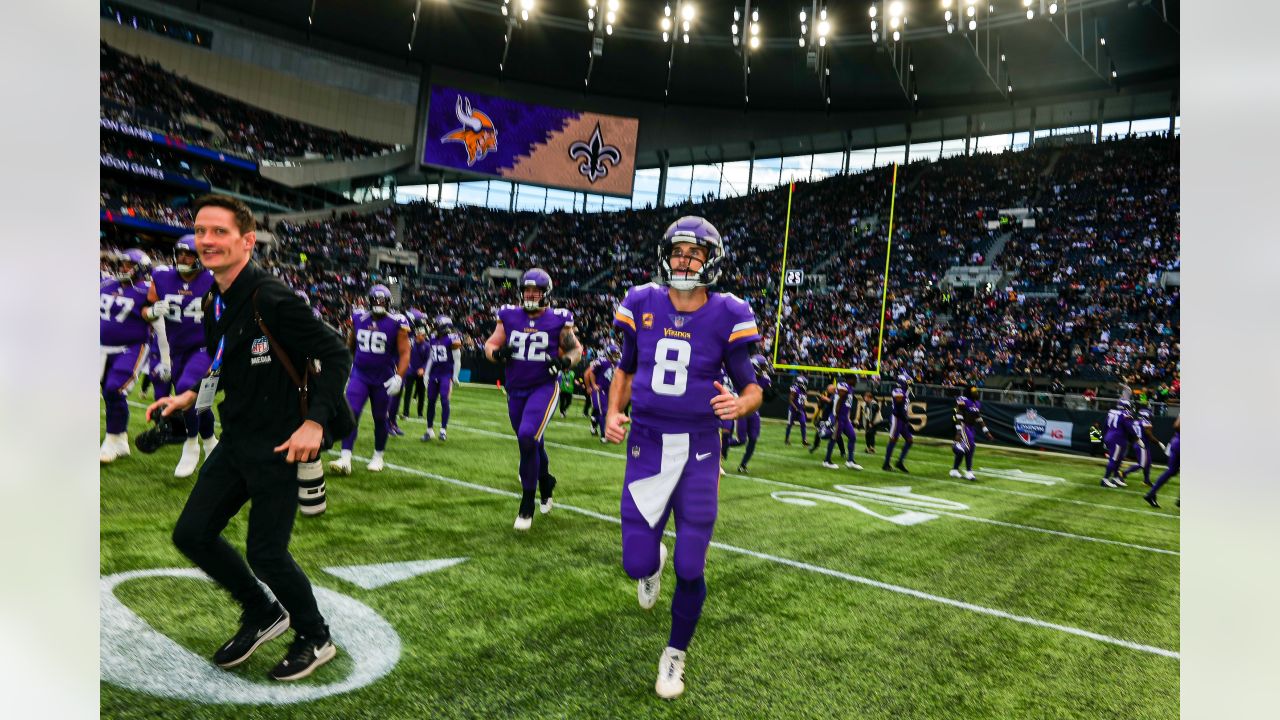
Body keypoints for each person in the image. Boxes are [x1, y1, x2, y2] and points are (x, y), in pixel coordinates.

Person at [146, 194, 352, 682]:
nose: (207, 241)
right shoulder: (212, 298)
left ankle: (315, 636)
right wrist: (189, 395)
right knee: (191, 534)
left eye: (219, 232)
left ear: (247, 240)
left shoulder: (272, 296)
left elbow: (336, 354)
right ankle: (262, 611)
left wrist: (315, 424)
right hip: (238, 437)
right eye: (200, 231)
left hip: (281, 444)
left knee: (266, 551)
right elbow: (225, 358)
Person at [604, 215, 762, 699]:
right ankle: (653, 565)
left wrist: (741, 403)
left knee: (692, 567)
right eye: (679, 252)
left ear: (712, 261)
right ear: (666, 255)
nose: (684, 260)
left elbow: (754, 385)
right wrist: (613, 411)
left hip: (698, 447)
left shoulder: (729, 312)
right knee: (635, 563)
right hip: (647, 444)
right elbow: (626, 368)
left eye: (695, 253)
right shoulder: (641, 302)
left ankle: (675, 654)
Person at [484, 268, 582, 528]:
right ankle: (546, 481)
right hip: (516, 389)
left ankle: (527, 504)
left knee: (527, 436)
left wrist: (563, 363)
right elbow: (491, 344)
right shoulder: (509, 315)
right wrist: (497, 354)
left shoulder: (558, 319)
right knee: (532, 443)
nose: (530, 295)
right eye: (527, 290)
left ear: (545, 293)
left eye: (535, 291)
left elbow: (575, 349)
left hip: (544, 387)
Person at [144, 234, 219, 478]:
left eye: (190, 253)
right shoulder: (163, 277)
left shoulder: (214, 280)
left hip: (205, 349)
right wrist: (153, 311)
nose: (184, 257)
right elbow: (146, 308)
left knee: (187, 388)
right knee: (199, 400)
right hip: (177, 350)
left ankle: (191, 443)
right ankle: (210, 443)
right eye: (181, 253)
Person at [329, 285, 411, 474]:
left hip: (383, 378)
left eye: (382, 301)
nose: (379, 304)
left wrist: (399, 377)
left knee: (380, 418)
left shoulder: (397, 322)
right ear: (369, 301)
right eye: (376, 300)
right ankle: (345, 458)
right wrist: (345, 365)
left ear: (389, 303)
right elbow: (350, 344)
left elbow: (406, 353)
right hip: (360, 375)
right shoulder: (358, 318)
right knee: (351, 414)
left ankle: (378, 456)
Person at [100, 248, 166, 463]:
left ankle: (112, 441)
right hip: (102, 347)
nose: (123, 268)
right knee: (110, 393)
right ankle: (119, 439)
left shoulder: (146, 291)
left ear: (141, 268)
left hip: (132, 346)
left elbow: (160, 325)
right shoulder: (107, 285)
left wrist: (165, 359)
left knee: (115, 387)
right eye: (122, 264)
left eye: (128, 264)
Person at [422, 315, 462, 441]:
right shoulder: (433, 338)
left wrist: (455, 376)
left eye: (437, 325)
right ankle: (429, 430)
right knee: (431, 401)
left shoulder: (452, 339)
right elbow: (430, 358)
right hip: (434, 374)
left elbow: (457, 360)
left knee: (445, 400)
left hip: (446, 375)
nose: (434, 327)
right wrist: (426, 373)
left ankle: (443, 430)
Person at [734, 354, 772, 473]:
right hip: (743, 409)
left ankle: (743, 465)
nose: (764, 369)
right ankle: (720, 447)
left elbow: (767, 396)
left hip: (754, 411)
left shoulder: (765, 379)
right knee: (741, 440)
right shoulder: (743, 376)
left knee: (754, 438)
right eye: (762, 366)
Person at [950, 384, 994, 481]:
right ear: (969, 392)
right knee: (970, 446)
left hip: (971, 427)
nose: (976, 392)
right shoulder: (963, 400)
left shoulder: (977, 403)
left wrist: (986, 432)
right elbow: (958, 415)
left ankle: (954, 470)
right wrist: (958, 431)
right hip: (963, 425)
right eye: (974, 391)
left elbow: (978, 418)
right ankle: (969, 472)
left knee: (967, 448)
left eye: (976, 391)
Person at [1101, 399, 1142, 488]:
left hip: (1113, 437)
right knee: (1114, 459)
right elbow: (1129, 427)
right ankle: (1105, 479)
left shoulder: (1112, 412)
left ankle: (1115, 478)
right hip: (1117, 439)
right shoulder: (1125, 414)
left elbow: (1105, 425)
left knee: (1119, 459)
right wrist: (1137, 439)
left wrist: (1104, 437)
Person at [584, 342, 620, 444]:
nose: (616, 356)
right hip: (600, 390)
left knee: (601, 411)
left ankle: (594, 422)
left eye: (617, 354)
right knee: (603, 412)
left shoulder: (617, 363)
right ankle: (604, 435)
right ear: (608, 353)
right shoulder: (601, 361)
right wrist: (593, 385)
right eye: (614, 354)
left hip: (610, 390)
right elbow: (591, 373)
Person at [822, 381, 862, 470]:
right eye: (841, 390)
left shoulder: (848, 393)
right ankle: (826, 461)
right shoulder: (837, 396)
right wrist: (834, 421)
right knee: (834, 439)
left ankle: (850, 461)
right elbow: (836, 409)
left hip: (845, 419)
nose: (843, 392)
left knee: (852, 437)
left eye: (844, 390)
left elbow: (848, 407)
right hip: (838, 419)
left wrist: (848, 418)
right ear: (838, 390)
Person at [882, 372, 915, 472]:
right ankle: (886, 464)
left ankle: (900, 461)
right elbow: (899, 409)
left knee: (909, 440)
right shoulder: (898, 391)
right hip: (897, 419)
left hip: (902, 419)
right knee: (893, 440)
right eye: (908, 383)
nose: (910, 385)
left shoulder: (905, 391)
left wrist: (905, 420)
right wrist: (906, 420)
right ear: (902, 383)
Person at [1119, 407, 1161, 486]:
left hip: (1140, 444)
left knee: (1148, 463)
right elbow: (1149, 436)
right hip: (1142, 445)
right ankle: (1123, 473)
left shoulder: (1136, 422)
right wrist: (1159, 443)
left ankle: (1146, 481)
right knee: (1142, 464)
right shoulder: (1146, 422)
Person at [1143, 416, 1179, 508]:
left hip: (1175, 441)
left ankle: (1151, 494)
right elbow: (1177, 426)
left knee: (1172, 470)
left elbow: (1176, 425)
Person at [403, 317, 430, 420]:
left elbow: (428, 360)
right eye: (418, 334)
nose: (418, 336)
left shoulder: (427, 346)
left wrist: (423, 369)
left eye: (421, 335)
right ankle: (405, 413)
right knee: (408, 393)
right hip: (410, 370)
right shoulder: (412, 343)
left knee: (421, 394)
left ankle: (420, 413)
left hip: (421, 372)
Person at [808, 383, 844, 457]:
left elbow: (832, 403)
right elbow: (820, 406)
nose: (827, 390)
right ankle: (815, 445)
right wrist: (820, 400)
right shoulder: (826, 394)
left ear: (833, 390)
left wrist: (825, 399)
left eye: (829, 389)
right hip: (825, 417)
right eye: (827, 389)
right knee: (818, 430)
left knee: (837, 434)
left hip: (832, 417)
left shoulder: (836, 396)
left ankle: (842, 451)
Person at [784, 374, 809, 445]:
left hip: (800, 410)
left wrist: (804, 411)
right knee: (789, 424)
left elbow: (803, 402)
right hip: (792, 410)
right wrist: (796, 408)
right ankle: (786, 439)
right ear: (800, 383)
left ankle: (804, 440)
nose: (805, 385)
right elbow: (790, 400)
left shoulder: (804, 391)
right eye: (804, 383)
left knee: (803, 424)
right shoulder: (795, 389)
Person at [857, 390, 881, 454]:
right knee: (867, 434)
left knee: (871, 434)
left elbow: (873, 414)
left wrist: (871, 422)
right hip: (868, 421)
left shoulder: (874, 404)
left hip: (874, 421)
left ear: (870, 398)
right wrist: (861, 423)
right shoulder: (866, 404)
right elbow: (865, 414)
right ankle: (868, 447)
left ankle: (872, 448)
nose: (864, 398)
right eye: (865, 397)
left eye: (866, 397)